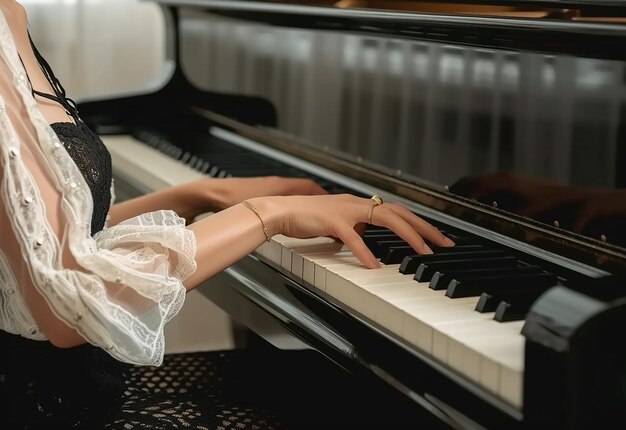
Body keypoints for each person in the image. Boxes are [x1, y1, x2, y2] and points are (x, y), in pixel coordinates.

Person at [0, 1, 455, 428]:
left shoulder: (10, 13)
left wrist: (201, 194)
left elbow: (45, 237)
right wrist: (265, 215)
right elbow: (68, 309)